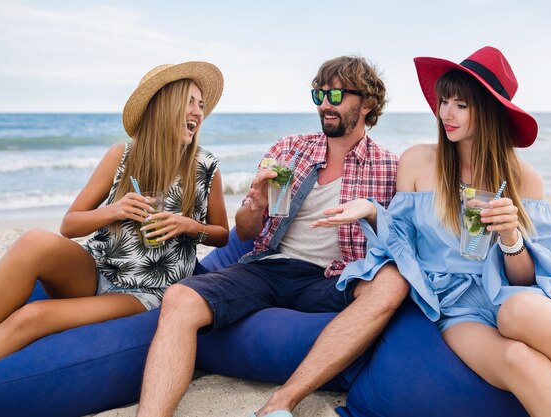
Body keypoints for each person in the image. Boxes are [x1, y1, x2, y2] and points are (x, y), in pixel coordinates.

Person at [314, 46, 551, 415]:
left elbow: (532, 277)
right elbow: (402, 242)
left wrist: (511, 237)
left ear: (488, 111)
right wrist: (373, 211)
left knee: (520, 311)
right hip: (455, 306)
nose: (446, 114)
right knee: (518, 359)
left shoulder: (524, 179)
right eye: (444, 101)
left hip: (511, 293)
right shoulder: (418, 161)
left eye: (462, 105)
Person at [136, 56, 409, 417]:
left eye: (337, 94)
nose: (326, 104)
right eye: (319, 95)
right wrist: (257, 202)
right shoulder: (290, 149)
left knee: (391, 282)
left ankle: (280, 403)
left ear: (368, 102)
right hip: (271, 266)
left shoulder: (390, 167)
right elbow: (247, 231)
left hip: (335, 277)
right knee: (179, 297)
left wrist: (373, 212)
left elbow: (402, 240)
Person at [0, 61, 230, 366]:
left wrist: (189, 226)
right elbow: (69, 226)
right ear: (164, 107)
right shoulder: (122, 155)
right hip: (95, 270)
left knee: (32, 315)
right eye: (189, 102)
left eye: (201, 105)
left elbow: (221, 234)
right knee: (33, 240)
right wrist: (114, 210)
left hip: (145, 291)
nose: (198, 112)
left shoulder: (205, 167)